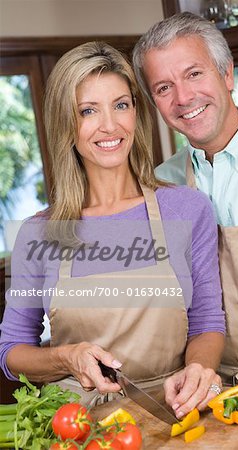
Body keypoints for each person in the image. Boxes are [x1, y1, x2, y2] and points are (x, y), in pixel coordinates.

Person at [0, 41, 225, 416]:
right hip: (80, 426)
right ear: (66, 124)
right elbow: (11, 352)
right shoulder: (37, 234)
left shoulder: (187, 209)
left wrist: (198, 370)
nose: (110, 125)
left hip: (174, 412)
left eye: (121, 105)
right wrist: (67, 357)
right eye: (88, 110)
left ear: (136, 112)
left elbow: (207, 321)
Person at [133, 12, 238, 407]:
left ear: (227, 75)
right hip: (208, 394)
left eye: (194, 74)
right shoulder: (160, 186)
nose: (183, 98)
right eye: (163, 87)